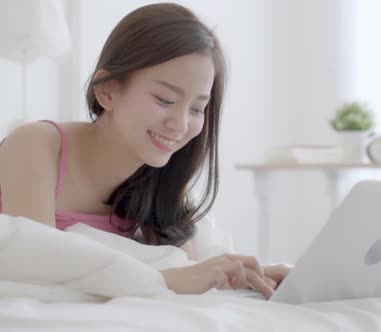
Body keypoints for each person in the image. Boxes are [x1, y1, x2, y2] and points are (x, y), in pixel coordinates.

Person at [0, 3, 288, 299]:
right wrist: (167, 280)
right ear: (107, 91)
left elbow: (192, 270)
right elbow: (33, 266)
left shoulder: (159, 185)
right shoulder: (35, 145)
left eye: (197, 108)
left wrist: (247, 273)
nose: (179, 124)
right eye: (165, 99)